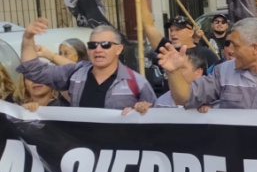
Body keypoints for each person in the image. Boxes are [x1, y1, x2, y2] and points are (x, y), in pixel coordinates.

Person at [158, 17, 257, 117]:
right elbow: (185, 98)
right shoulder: (223, 72)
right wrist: (174, 72)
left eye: (236, 46)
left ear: (255, 48)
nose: (230, 51)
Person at [17, 19, 157, 108]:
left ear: (118, 49)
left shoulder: (136, 82)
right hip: (82, 152)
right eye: (92, 45)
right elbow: (33, 71)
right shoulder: (74, 73)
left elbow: (158, 120)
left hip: (118, 152)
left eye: (105, 45)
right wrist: (28, 37)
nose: (98, 49)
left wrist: (141, 111)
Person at [131, 0, 219, 68]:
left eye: (178, 30)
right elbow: (149, 27)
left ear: (190, 32)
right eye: (171, 30)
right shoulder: (167, 49)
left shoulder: (207, 55)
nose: (173, 34)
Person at [125, 46, 212, 114]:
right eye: (174, 68)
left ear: (198, 72)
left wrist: (213, 110)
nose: (177, 72)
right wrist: (144, 111)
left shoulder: (213, 96)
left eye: (182, 68)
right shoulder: (162, 101)